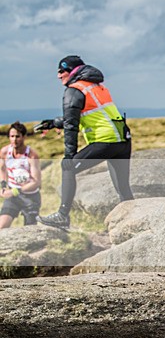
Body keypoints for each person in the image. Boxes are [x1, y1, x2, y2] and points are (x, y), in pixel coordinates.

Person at [34, 55, 133, 229]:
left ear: (72, 71)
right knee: (123, 190)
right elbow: (84, 114)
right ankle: (133, 221)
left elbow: (71, 125)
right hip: (122, 140)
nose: (58, 75)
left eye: (62, 71)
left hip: (105, 141)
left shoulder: (74, 90)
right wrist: (54, 123)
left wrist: (69, 156)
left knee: (68, 167)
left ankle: (62, 215)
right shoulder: (95, 86)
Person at [0, 122, 42, 228]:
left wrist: (15, 191)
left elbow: (36, 182)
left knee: (30, 230)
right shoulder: (4, 152)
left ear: (24, 137)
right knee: (1, 226)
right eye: (12, 136)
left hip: (30, 197)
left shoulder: (32, 156)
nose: (14, 140)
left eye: (17, 136)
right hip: (13, 197)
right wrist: (3, 186)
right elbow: (3, 169)